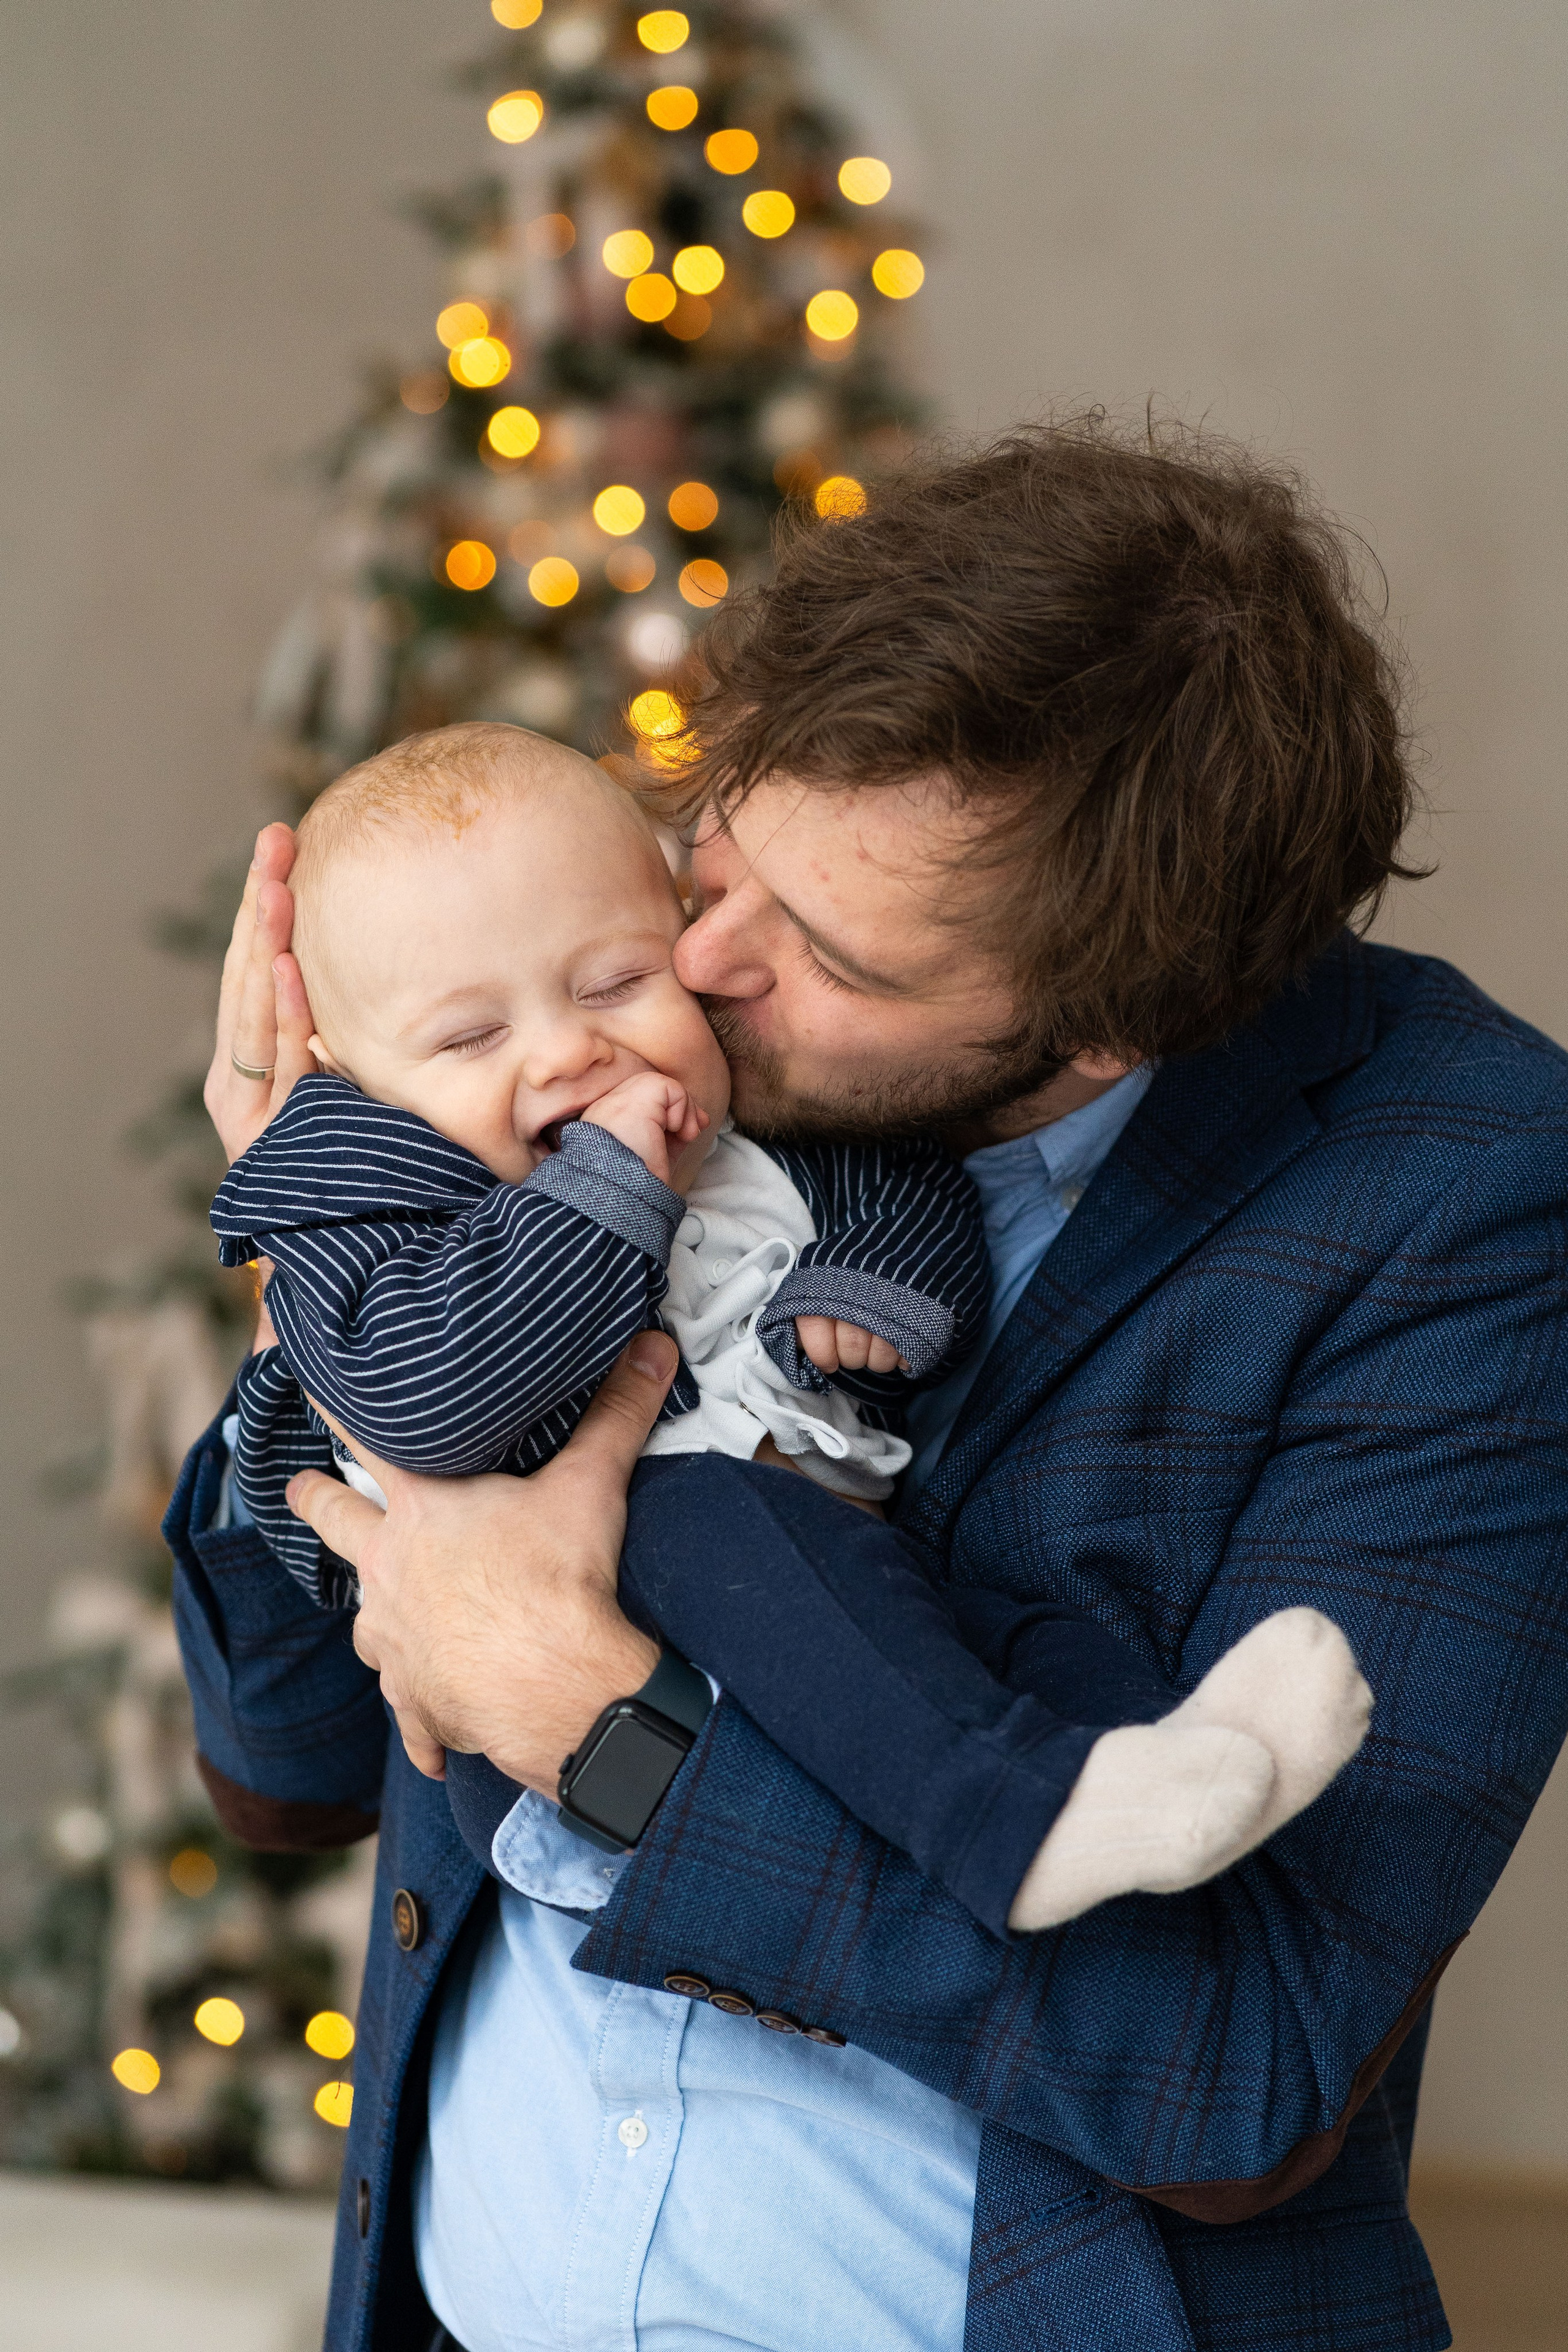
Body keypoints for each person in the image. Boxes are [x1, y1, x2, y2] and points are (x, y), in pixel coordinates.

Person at [168, 420, 1568, 2352]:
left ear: (1101, 1031)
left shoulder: (1464, 1204)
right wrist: (321, 1278)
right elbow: (289, 1769)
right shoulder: (584, 1047)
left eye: (821, 950)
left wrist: (607, 1729)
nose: (699, 963)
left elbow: (1239, 2080)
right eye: (718, 841)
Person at [216, 713, 1367, 1939]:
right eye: (469, 1037)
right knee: (751, 1543)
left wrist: (874, 1282)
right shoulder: (371, 1194)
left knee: (974, 1631)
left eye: (615, 981)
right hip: (633, 1538)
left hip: (821, 1534)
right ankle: (1006, 1826)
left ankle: (1148, 1757)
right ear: (343, 1082)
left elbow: (881, 1181)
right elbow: (432, 1397)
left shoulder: (758, 1080)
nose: (568, 1050)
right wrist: (608, 1180)